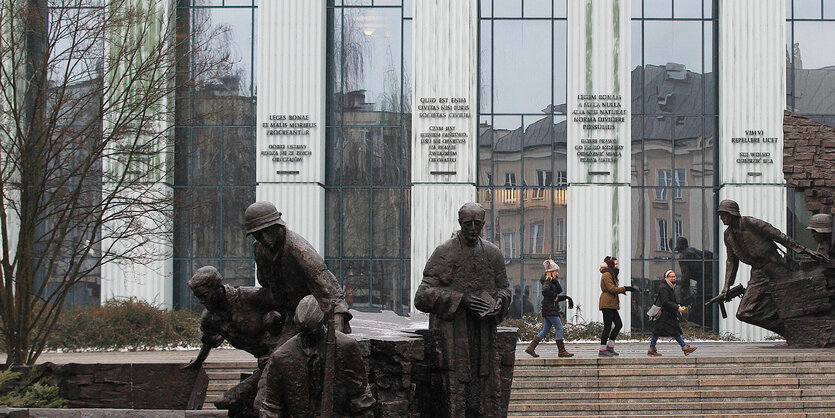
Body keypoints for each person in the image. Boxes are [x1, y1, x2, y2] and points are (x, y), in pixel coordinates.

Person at [414, 202, 512, 417]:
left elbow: (504, 289)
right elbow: (422, 297)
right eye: (468, 223)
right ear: (460, 223)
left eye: (478, 223)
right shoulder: (444, 252)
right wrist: (461, 300)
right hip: (453, 337)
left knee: (486, 396)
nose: (473, 228)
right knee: (454, 395)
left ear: (484, 224)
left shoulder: (493, 253)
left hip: (484, 337)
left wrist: (499, 302)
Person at [244, 201, 351, 342]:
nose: (263, 238)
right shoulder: (259, 248)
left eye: (267, 231)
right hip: (287, 314)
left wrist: (337, 335)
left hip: (312, 318)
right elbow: (264, 282)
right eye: (257, 234)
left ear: (278, 226)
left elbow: (330, 293)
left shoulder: (300, 250)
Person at [183, 266, 282, 417]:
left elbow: (288, 305)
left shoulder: (249, 297)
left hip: (282, 357)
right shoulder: (210, 319)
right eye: (198, 297)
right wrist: (198, 361)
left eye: (204, 295)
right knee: (225, 402)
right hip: (264, 365)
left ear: (218, 287)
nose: (202, 301)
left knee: (262, 404)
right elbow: (209, 341)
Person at [718, 199, 827, 334]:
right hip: (758, 273)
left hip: (777, 268)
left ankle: (802, 327)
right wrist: (726, 287)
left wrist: (805, 250)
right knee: (744, 313)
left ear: (732, 213)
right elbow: (731, 261)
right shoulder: (728, 235)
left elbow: (779, 236)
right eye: (720, 214)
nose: (721, 218)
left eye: (724, 214)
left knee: (798, 301)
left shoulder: (750, 223)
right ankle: (788, 330)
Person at [258, 295, 375, 417]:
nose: (307, 339)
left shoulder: (346, 347)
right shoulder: (282, 357)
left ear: (322, 322)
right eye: (302, 333)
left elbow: (361, 400)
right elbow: (271, 407)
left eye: (311, 334)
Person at [525, 260, 573, 358]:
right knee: (559, 327)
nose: (557, 273)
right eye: (555, 271)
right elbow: (545, 291)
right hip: (550, 309)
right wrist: (555, 294)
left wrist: (565, 297)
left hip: (549, 308)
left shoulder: (551, 281)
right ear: (551, 271)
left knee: (545, 330)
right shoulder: (547, 282)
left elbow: (558, 291)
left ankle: (531, 348)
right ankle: (561, 351)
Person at [647, 270, 697, 357]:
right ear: (666, 277)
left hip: (666, 314)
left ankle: (652, 349)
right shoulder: (664, 288)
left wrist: (676, 305)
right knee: (674, 331)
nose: (673, 278)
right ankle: (684, 348)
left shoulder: (669, 286)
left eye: (674, 276)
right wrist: (677, 308)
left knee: (658, 331)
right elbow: (665, 302)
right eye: (671, 277)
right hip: (664, 315)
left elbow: (669, 301)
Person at [598, 256, 637, 357]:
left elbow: (613, 289)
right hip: (607, 304)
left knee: (618, 324)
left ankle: (610, 347)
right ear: (610, 265)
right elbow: (611, 289)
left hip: (611, 303)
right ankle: (602, 349)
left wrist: (623, 290)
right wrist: (625, 289)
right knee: (607, 326)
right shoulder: (607, 275)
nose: (617, 266)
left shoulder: (611, 274)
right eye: (615, 264)